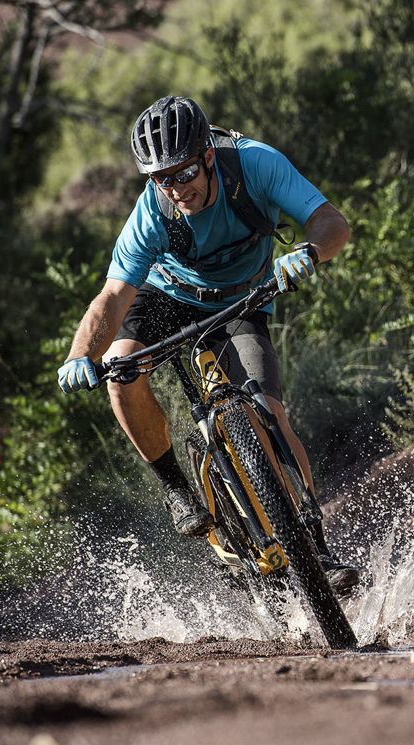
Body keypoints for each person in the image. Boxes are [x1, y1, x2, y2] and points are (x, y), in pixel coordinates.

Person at [56, 95, 358, 593]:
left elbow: (331, 222)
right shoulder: (152, 211)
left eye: (184, 172)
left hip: (243, 298)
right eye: (161, 178)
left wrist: (309, 251)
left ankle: (314, 545)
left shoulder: (256, 164)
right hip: (168, 294)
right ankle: (178, 489)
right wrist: (78, 355)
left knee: (267, 412)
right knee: (120, 368)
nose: (176, 188)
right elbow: (112, 296)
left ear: (209, 156)